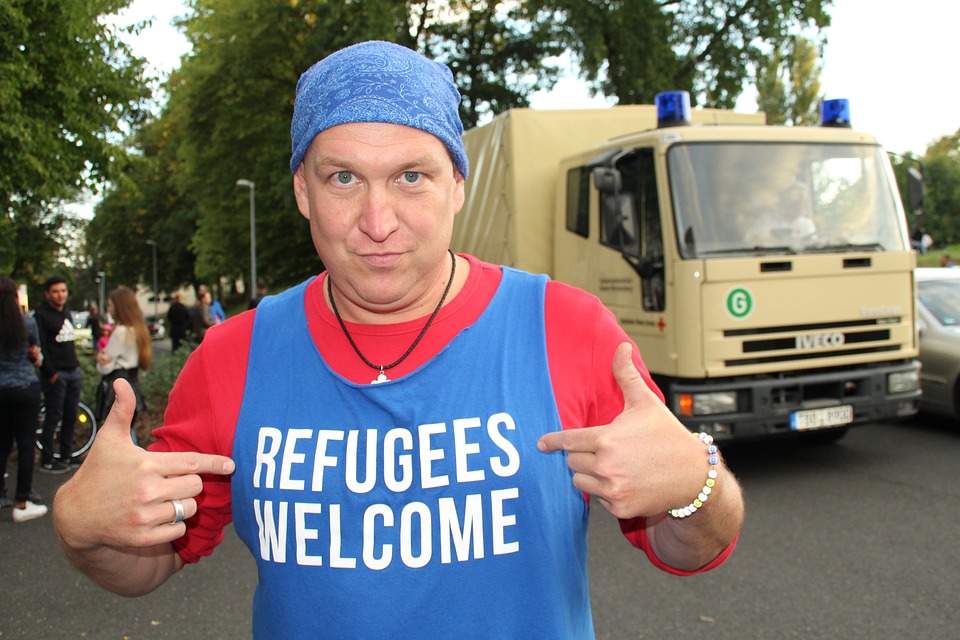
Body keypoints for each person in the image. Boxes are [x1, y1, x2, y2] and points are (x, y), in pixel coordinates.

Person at [53, 41, 743, 638]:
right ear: (302, 191)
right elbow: (147, 563)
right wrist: (83, 529)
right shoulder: (233, 359)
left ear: (457, 186)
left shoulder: (568, 330)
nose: (377, 221)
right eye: (343, 178)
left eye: (411, 176)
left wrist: (696, 483)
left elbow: (689, 547)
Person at [0, 277, 48, 522]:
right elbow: (36, 356)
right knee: (26, 444)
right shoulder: (26, 322)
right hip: (26, 386)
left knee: (2, 444)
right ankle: (22, 501)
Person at [34, 276, 82, 474]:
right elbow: (40, 346)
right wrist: (50, 373)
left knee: (71, 415)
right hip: (56, 374)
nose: (60, 295)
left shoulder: (66, 313)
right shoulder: (41, 315)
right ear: (47, 294)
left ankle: (66, 455)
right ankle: (47, 459)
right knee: (53, 417)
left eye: (63, 290)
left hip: (72, 372)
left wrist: (76, 366)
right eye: (55, 291)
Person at [94, 286, 151, 426]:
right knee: (128, 428)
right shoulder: (139, 329)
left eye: (110, 305)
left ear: (119, 307)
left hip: (117, 384)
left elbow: (105, 366)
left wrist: (100, 360)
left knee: (116, 431)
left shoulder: (120, 332)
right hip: (133, 383)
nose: (108, 309)